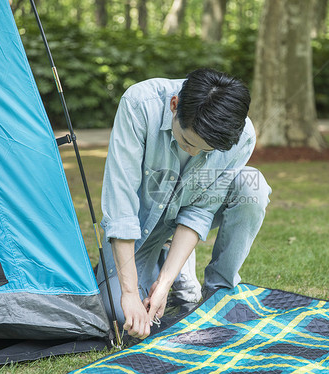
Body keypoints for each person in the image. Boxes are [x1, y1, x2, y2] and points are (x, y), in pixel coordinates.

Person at [97, 68, 271, 339]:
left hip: (185, 213)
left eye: (206, 151)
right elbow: (120, 206)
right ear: (174, 105)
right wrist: (130, 294)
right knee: (120, 316)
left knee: (252, 184)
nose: (194, 152)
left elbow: (201, 210)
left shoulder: (241, 135)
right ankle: (168, 260)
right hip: (142, 227)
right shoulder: (139, 104)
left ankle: (218, 293)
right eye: (188, 142)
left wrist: (163, 285)